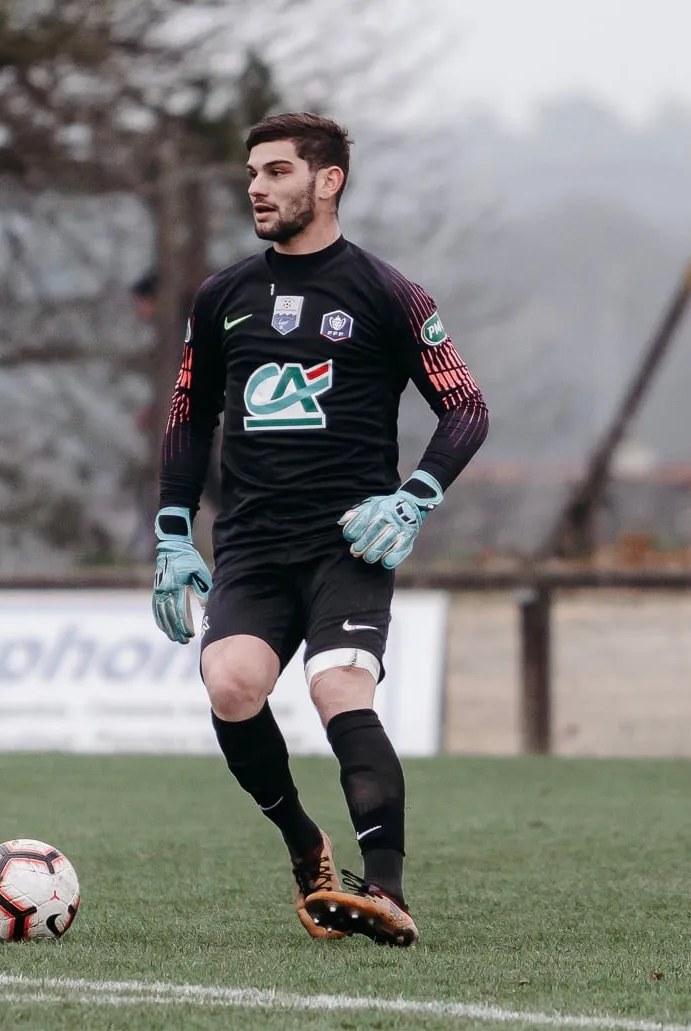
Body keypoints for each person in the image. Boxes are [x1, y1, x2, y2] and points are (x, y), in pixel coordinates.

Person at [149, 112, 489, 947]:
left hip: (349, 542)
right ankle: (306, 844)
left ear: (328, 180)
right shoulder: (222, 296)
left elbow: (466, 408)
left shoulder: (387, 292)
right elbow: (189, 415)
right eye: (252, 174)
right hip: (254, 543)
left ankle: (388, 893)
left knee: (339, 688)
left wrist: (413, 497)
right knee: (231, 684)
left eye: (276, 172)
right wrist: (173, 531)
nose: (257, 188)